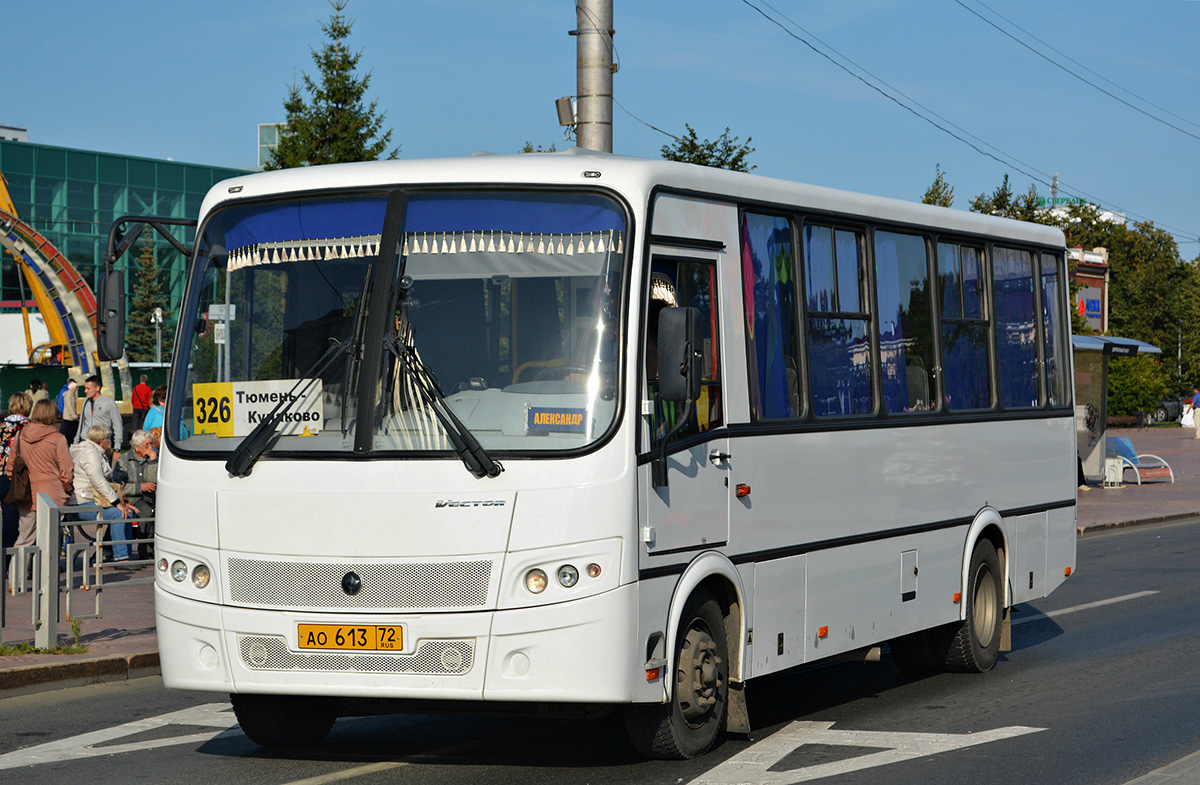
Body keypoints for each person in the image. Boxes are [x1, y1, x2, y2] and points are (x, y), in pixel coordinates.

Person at [4, 400, 73, 578]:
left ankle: (15, 580)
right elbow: (66, 470)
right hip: (53, 496)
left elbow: (10, 468)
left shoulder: (20, 435)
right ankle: (45, 580)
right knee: (49, 541)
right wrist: (67, 489)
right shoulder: (58, 438)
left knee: (24, 538)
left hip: (26, 495)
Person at [70, 425, 137, 564]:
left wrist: (123, 503)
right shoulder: (90, 453)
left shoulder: (97, 452)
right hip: (82, 502)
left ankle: (119, 553)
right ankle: (121, 557)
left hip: (94, 500)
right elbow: (99, 481)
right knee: (118, 514)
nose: (110, 443)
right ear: (102, 440)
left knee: (127, 512)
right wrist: (117, 504)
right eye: (109, 439)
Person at [114, 429, 158, 558]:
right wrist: (140, 487)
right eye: (147, 445)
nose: (150, 448)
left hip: (151, 497)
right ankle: (145, 550)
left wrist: (152, 461)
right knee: (146, 512)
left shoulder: (153, 458)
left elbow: (152, 480)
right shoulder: (124, 460)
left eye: (151, 444)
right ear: (137, 447)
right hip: (130, 499)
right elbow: (119, 487)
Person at [0, 393, 32, 557]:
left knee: (8, 521)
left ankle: (6, 560)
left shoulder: (1, 425)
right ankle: (19, 560)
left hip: (1, 477)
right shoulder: (29, 426)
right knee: (26, 520)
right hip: (21, 478)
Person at [74, 375, 123, 453]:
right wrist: (76, 442)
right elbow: (81, 423)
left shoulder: (109, 403)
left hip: (102, 444)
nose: (85, 391)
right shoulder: (86, 402)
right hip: (86, 443)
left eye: (88, 388)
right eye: (85, 388)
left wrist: (117, 447)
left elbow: (118, 425)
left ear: (97, 388)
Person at [57, 378, 79, 443]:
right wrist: (74, 415)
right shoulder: (67, 393)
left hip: (69, 416)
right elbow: (68, 405)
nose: (76, 388)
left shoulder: (72, 393)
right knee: (67, 433)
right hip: (68, 416)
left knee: (68, 432)